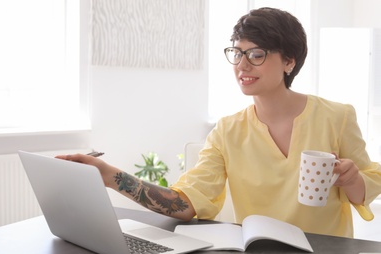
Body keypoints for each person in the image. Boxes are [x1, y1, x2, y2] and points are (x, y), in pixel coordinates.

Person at [57, 7, 381, 238]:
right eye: (236, 53)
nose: (242, 64)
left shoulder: (337, 116)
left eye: (256, 54)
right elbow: (186, 202)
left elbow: (368, 183)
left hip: (328, 251)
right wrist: (108, 175)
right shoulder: (227, 130)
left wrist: (352, 180)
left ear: (289, 61)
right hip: (260, 252)